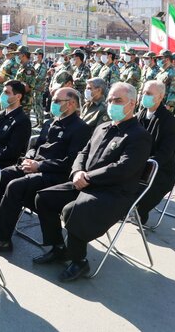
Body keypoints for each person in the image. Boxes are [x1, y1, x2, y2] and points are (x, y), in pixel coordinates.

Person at [33, 83, 151, 282]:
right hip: (86, 182)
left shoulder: (139, 135)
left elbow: (123, 168)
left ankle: (79, 261)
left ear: (133, 103)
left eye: (118, 101)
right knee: (44, 198)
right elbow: (83, 152)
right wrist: (78, 171)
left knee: (74, 209)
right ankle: (59, 247)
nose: (112, 104)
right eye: (110, 100)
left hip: (113, 191)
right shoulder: (102, 127)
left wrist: (88, 177)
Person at [0, 87, 91, 253]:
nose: (52, 103)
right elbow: (35, 145)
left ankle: (2, 239)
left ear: (71, 104)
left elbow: (71, 161)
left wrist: (39, 166)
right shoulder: (50, 122)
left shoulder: (81, 128)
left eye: (57, 101)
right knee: (2, 176)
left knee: (15, 186)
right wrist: (29, 158)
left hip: (55, 174)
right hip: (35, 166)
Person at [135, 80, 175, 224]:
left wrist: (143, 164)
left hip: (159, 169)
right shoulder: (139, 115)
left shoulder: (169, 121)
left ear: (160, 97)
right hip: (138, 163)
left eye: (149, 94)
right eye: (143, 92)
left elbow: (165, 154)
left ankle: (138, 212)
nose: (144, 96)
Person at [0, 80, 32, 169]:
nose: (2, 95)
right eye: (3, 92)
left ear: (18, 97)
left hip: (0, 163)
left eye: (7, 92)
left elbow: (11, 152)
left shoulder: (22, 121)